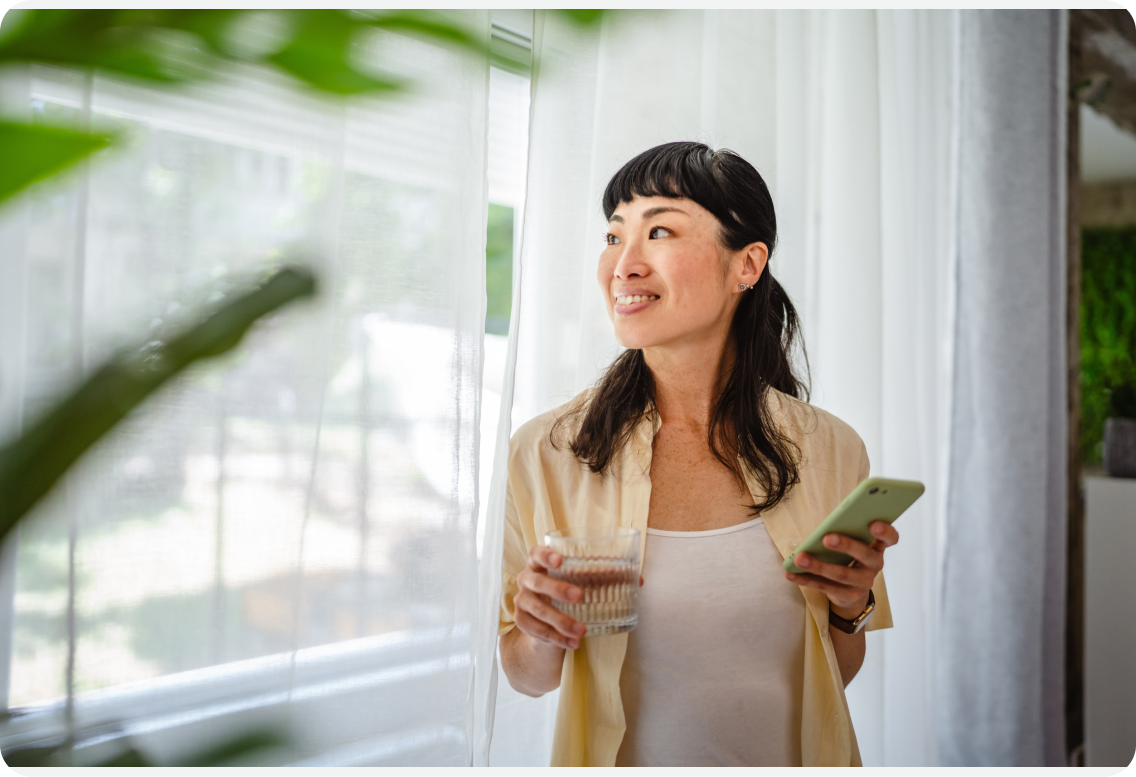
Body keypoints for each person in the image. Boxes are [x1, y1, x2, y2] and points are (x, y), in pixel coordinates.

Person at [497, 141, 898, 767]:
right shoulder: (549, 453)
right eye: (612, 236)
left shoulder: (831, 450)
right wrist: (541, 631)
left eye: (659, 230)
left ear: (747, 264)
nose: (622, 264)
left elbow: (832, 676)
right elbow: (526, 675)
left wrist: (851, 607)